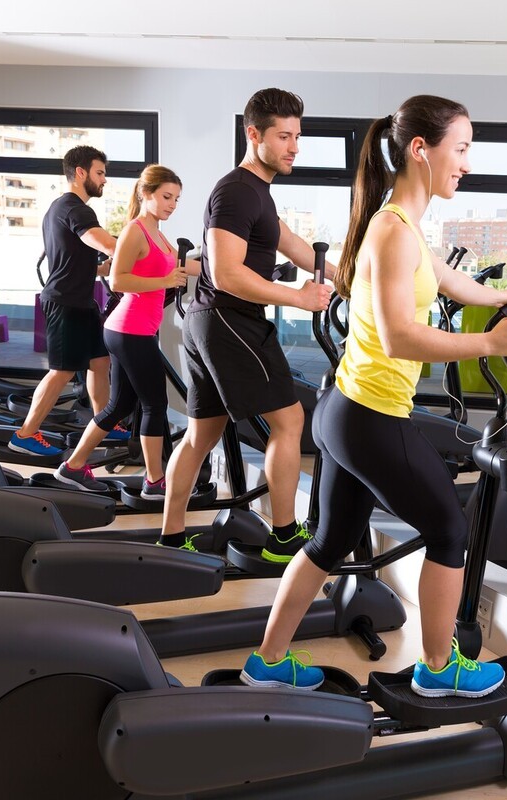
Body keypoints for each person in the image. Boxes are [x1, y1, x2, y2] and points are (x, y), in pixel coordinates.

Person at [240, 95, 507, 697]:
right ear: (421, 150)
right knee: (450, 531)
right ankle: (438, 669)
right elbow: (401, 336)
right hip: (371, 416)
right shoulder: (394, 231)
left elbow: (449, 280)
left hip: (343, 411)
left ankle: (266, 662)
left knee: (326, 543)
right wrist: (490, 343)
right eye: (461, 149)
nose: (468, 163)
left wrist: (506, 301)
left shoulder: (398, 224)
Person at [157, 88, 333, 559]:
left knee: (202, 435)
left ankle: (172, 537)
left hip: (211, 321)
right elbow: (229, 273)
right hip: (229, 319)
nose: (294, 146)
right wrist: (298, 297)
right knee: (290, 419)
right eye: (283, 136)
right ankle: (283, 536)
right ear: (253, 134)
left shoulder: (258, 194)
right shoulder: (236, 190)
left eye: (297, 136)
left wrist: (350, 279)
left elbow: (292, 244)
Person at [53, 164, 196, 495]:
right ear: (145, 194)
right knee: (154, 404)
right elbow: (118, 280)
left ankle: (72, 467)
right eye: (166, 197)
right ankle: (155, 481)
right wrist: (164, 281)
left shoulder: (159, 235)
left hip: (129, 330)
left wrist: (229, 271)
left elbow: (185, 265)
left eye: (176, 199)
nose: (172, 204)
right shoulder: (135, 230)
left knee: (118, 406)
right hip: (130, 329)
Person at [8, 145, 130, 456]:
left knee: (100, 363)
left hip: (80, 300)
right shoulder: (76, 209)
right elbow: (104, 243)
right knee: (61, 371)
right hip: (65, 302)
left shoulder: (59, 209)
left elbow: (84, 261)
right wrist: (145, 253)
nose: (104, 180)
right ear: (80, 173)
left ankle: (105, 422)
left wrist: (107, 266)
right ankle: (26, 433)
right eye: (100, 173)